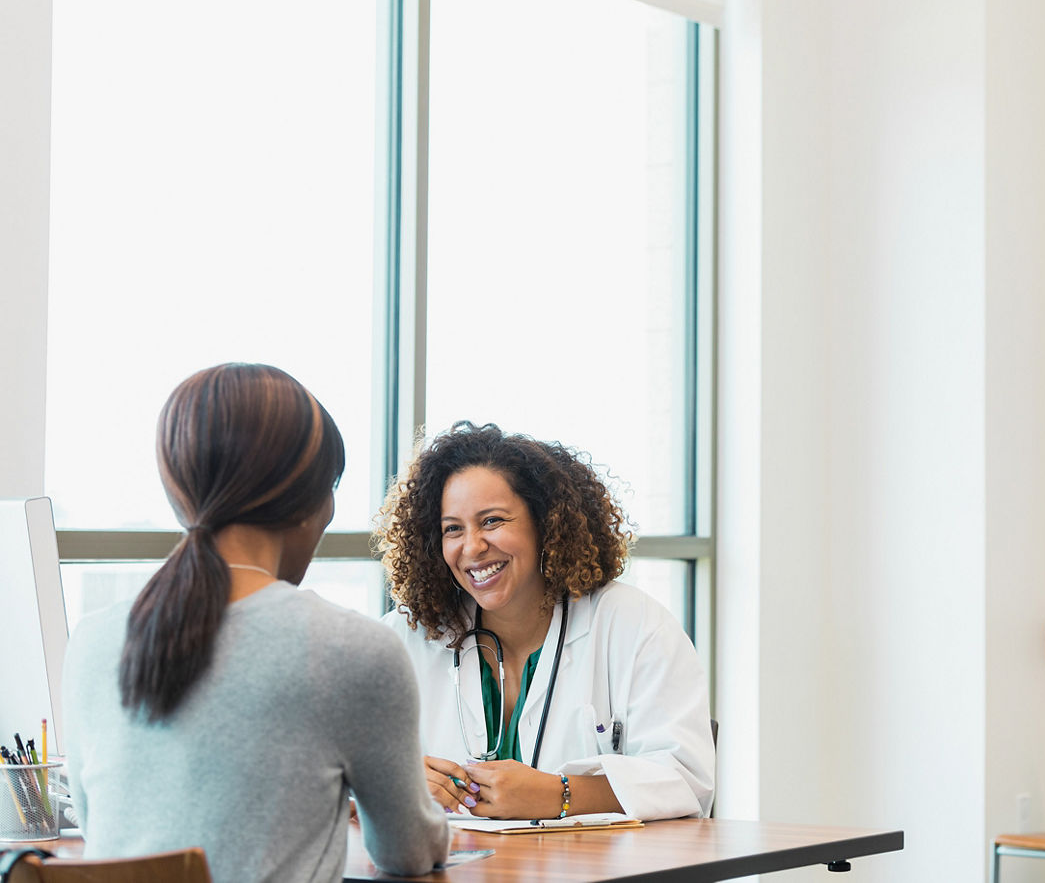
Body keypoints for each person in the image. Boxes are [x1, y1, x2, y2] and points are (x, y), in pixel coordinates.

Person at [63, 363, 448, 883]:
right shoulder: (350, 648)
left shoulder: (93, 640)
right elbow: (409, 853)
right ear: (312, 501)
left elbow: (102, 834)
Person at [374, 421, 714, 821]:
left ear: (545, 522)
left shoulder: (634, 626)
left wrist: (560, 795)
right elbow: (338, 772)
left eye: (492, 521)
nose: (473, 547)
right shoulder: (403, 637)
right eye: (453, 529)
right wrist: (392, 782)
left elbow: (687, 780)